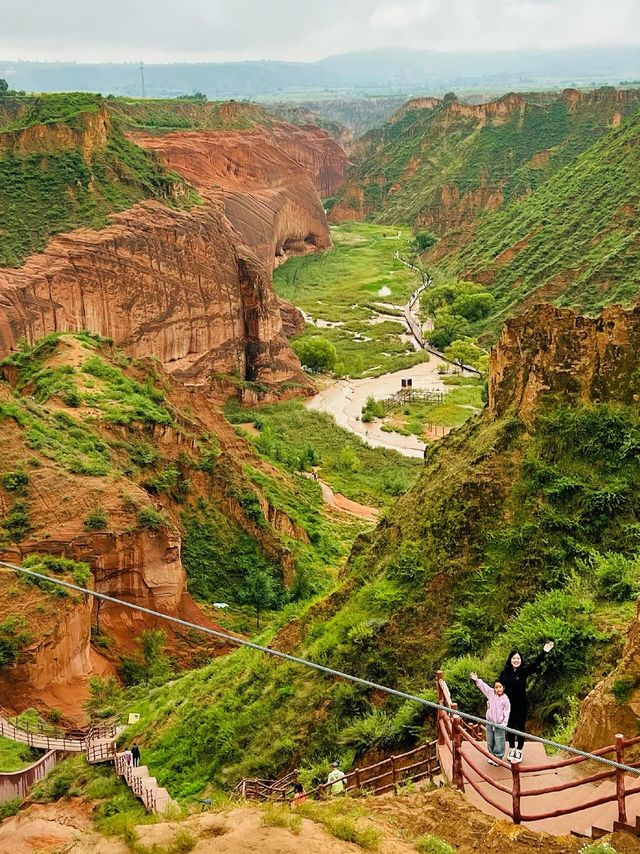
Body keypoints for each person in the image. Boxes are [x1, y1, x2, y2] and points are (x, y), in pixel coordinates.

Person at [498, 641, 555, 764]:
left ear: (521, 660)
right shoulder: (504, 673)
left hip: (521, 704)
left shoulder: (523, 671)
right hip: (508, 705)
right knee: (510, 727)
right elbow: (499, 689)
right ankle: (512, 748)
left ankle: (519, 750)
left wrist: (544, 651)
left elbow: (535, 664)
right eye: (514, 658)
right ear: (510, 659)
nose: (516, 660)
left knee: (520, 727)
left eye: (518, 658)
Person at [469, 673, 510, 765]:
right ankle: (491, 756)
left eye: (500, 687)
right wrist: (477, 680)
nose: (498, 689)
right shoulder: (491, 693)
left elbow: (506, 713)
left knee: (499, 740)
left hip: (499, 724)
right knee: (490, 739)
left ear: (503, 687)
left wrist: (504, 723)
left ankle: (498, 757)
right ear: (494, 688)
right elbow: (484, 687)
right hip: (489, 721)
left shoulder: (505, 699)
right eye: (496, 687)